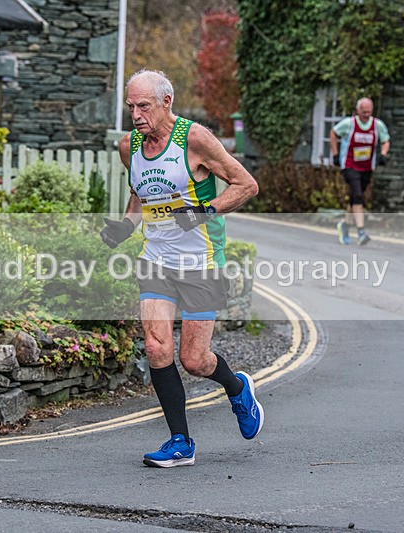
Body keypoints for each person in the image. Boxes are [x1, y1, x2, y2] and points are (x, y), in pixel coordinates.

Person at [99, 69, 263, 467]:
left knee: (195, 359)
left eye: (144, 106)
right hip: (156, 258)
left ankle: (236, 386)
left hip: (200, 260)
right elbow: (141, 196)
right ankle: (180, 442)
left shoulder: (195, 139)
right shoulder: (129, 147)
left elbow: (246, 185)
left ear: (166, 102)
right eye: (131, 107)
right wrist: (125, 225)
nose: (136, 115)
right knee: (156, 347)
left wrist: (203, 212)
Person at [329, 97, 391, 245]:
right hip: (350, 165)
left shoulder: (377, 125)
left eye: (368, 112)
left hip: (366, 167)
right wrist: (336, 154)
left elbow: (385, 140)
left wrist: (383, 154)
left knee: (355, 197)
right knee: (357, 195)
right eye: (363, 112)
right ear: (358, 110)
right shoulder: (348, 124)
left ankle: (345, 225)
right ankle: (361, 232)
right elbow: (333, 133)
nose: (366, 115)